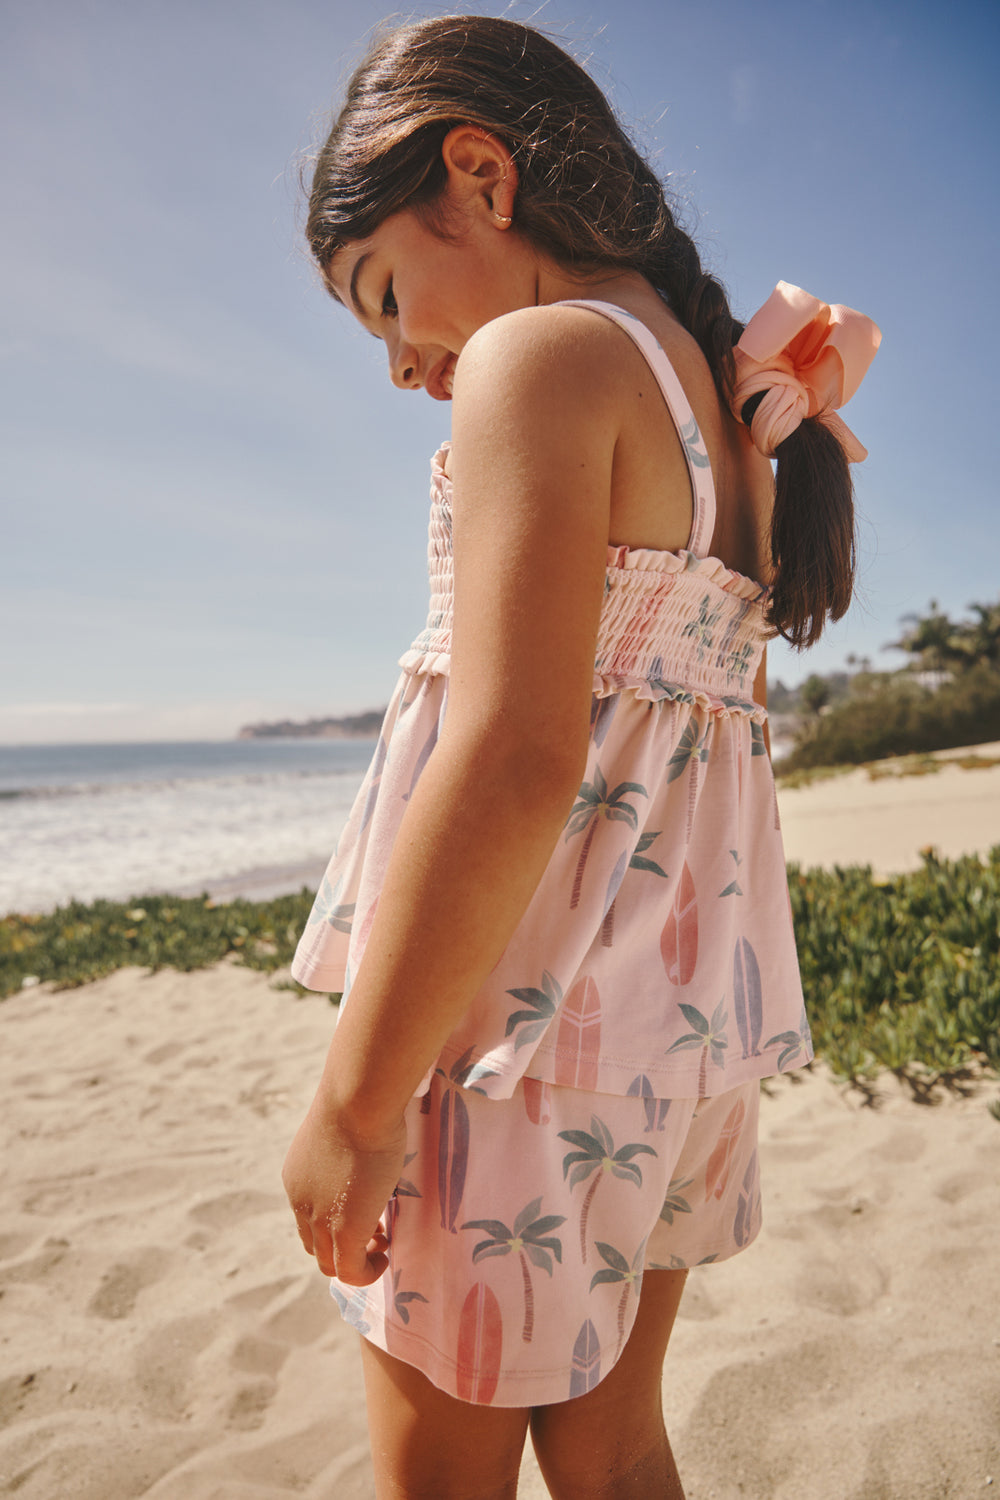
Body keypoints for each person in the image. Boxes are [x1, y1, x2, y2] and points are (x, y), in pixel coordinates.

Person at [281, 15, 880, 1498]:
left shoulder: (544, 360)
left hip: (518, 1042)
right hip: (671, 1040)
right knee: (613, 1451)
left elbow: (512, 750)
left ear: (478, 175)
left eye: (385, 297)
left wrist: (356, 1107)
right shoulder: (734, 426)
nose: (408, 361)